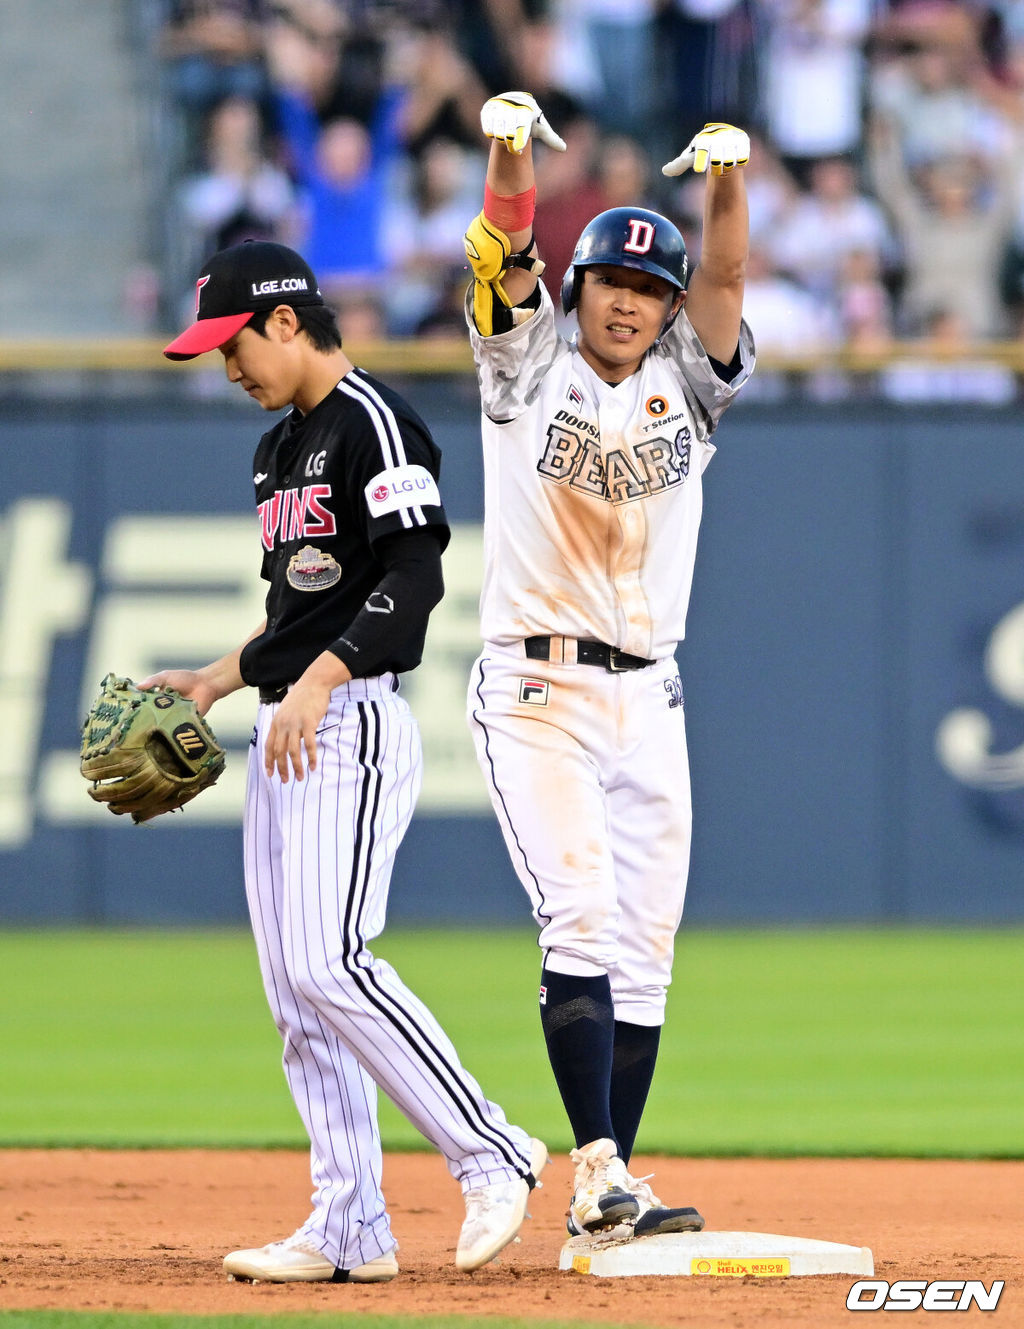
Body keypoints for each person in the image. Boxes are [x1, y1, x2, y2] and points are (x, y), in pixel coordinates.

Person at [147, 239, 546, 1283]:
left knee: (331, 962)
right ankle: (350, 1226)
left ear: (285, 321)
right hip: (289, 720)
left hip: (352, 719)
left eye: (232, 345)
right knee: (296, 992)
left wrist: (320, 680)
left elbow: (414, 575)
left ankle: (492, 1150)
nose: (227, 367)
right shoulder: (276, 451)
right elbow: (304, 608)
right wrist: (219, 677)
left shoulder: (372, 418)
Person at [461, 93, 754, 1240]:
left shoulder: (691, 380)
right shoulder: (522, 366)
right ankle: (592, 1167)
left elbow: (726, 283)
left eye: (649, 289)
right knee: (579, 921)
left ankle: (609, 1183)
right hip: (538, 687)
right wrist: (506, 154)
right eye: (609, 282)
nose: (627, 300)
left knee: (644, 950)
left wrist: (726, 186)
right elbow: (502, 248)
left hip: (651, 692)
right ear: (576, 287)